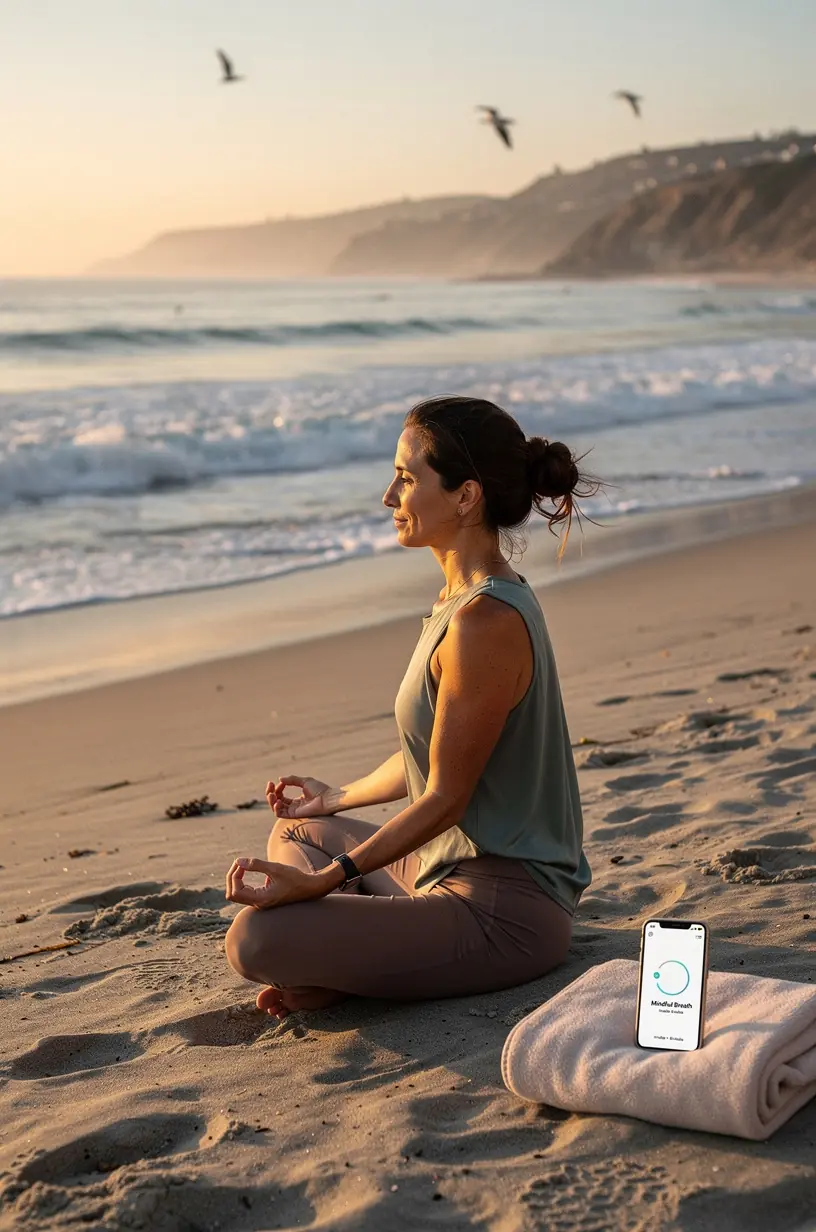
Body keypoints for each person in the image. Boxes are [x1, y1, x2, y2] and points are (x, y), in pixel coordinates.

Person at [225, 395, 597, 1020]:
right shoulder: (461, 600)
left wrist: (327, 880)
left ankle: (350, 961)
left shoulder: (486, 622)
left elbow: (448, 795)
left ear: (464, 496)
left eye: (406, 477)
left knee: (254, 939)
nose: (388, 496)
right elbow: (432, 753)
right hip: (441, 871)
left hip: (505, 913)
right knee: (295, 829)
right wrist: (335, 799)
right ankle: (359, 957)